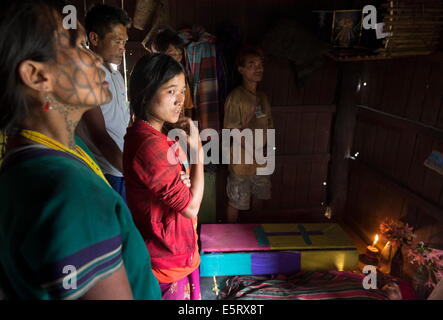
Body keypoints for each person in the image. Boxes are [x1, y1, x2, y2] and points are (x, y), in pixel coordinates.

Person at [0, 0, 161, 300]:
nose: (95, 60)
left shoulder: (35, 160)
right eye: (76, 47)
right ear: (37, 76)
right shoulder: (68, 192)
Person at [124, 53, 204, 300]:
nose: (180, 100)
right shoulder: (148, 145)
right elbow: (190, 206)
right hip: (165, 259)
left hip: (178, 251)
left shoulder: (158, 136)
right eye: (171, 91)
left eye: (182, 91)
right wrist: (198, 154)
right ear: (146, 93)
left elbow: (184, 189)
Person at [76, 4, 130, 200]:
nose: (123, 47)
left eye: (124, 41)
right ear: (95, 38)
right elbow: (98, 134)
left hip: (122, 167)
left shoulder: (115, 75)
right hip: (105, 170)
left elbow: (122, 123)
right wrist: (130, 170)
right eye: (117, 41)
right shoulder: (87, 76)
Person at [223, 46, 274, 223]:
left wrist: (266, 151)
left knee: (260, 196)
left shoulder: (263, 97)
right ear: (241, 70)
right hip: (242, 160)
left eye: (260, 65)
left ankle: (257, 236)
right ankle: (232, 240)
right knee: (237, 200)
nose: (258, 69)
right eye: (251, 65)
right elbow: (232, 130)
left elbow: (269, 126)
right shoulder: (235, 97)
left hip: (261, 160)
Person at [149, 28, 195, 118]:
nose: (177, 59)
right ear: (159, 54)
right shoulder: (152, 79)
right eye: (173, 54)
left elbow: (188, 106)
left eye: (180, 54)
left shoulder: (181, 78)